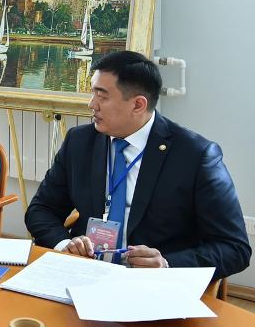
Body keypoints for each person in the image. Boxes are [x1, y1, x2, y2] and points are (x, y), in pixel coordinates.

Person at [25, 51, 251, 279]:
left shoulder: (195, 156)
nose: (91, 104)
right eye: (93, 93)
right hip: (85, 273)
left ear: (138, 105)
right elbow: (41, 209)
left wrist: (167, 265)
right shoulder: (80, 142)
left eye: (102, 96)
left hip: (152, 284)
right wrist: (65, 244)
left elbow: (234, 248)